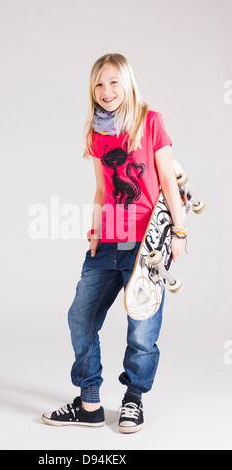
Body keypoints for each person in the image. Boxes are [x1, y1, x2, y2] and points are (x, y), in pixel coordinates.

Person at [42, 53, 185, 433]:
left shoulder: (150, 122)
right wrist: (94, 230)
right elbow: (102, 190)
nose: (106, 91)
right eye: (99, 84)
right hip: (108, 240)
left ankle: (133, 399)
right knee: (81, 316)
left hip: (145, 243)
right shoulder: (96, 134)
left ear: (128, 83)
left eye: (113, 82)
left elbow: (169, 182)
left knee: (142, 328)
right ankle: (89, 404)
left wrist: (180, 232)